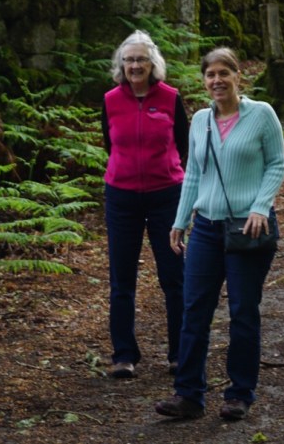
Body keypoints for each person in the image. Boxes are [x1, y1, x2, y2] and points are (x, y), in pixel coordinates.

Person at [155, 47, 284, 422]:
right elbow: (193, 175)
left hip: (249, 227)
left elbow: (277, 163)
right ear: (204, 80)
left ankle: (239, 393)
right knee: (194, 310)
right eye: (210, 74)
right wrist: (180, 222)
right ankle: (189, 395)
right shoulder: (200, 120)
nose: (217, 80)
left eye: (223, 73)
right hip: (206, 229)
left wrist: (261, 205)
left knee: (243, 312)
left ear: (237, 76)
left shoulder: (262, 115)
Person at [101, 30, 190, 379]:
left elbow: (182, 145)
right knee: (122, 280)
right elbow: (110, 143)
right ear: (121, 65)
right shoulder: (110, 100)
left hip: (166, 195)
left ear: (153, 64)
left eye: (141, 59)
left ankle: (179, 353)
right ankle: (124, 355)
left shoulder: (170, 98)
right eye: (129, 60)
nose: (135, 65)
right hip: (121, 197)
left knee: (174, 277)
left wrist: (164, 171)